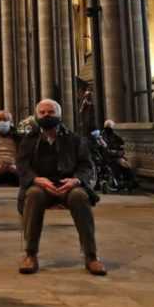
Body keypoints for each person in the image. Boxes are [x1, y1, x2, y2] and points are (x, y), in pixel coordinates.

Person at [16, 99, 106, 276]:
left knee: (80, 196)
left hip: (68, 185)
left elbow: (86, 166)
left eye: (50, 112)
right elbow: (22, 165)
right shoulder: (29, 140)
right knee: (33, 195)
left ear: (59, 115)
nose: (46, 115)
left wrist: (76, 180)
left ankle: (91, 256)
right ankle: (30, 255)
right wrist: (36, 180)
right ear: (36, 115)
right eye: (42, 112)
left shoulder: (74, 139)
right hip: (41, 186)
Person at [101, 119, 137, 190]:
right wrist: (117, 152)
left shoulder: (114, 136)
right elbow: (106, 150)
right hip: (110, 158)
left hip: (116, 156)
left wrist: (120, 151)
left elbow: (121, 145)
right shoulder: (103, 137)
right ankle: (130, 181)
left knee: (127, 164)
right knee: (124, 164)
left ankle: (129, 181)